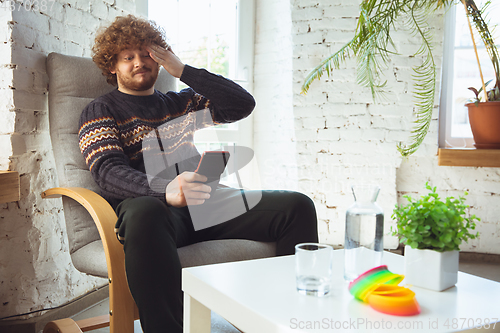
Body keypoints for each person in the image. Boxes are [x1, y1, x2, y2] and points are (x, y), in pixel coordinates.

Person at [79, 14, 318, 333]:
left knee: (297, 206)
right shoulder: (100, 110)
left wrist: (184, 71)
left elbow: (241, 105)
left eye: (147, 54)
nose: (139, 62)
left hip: (206, 205)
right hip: (156, 215)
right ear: (113, 65)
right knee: (145, 211)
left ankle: (286, 320)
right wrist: (164, 190)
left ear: (160, 59)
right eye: (128, 57)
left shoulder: (180, 103)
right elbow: (107, 171)